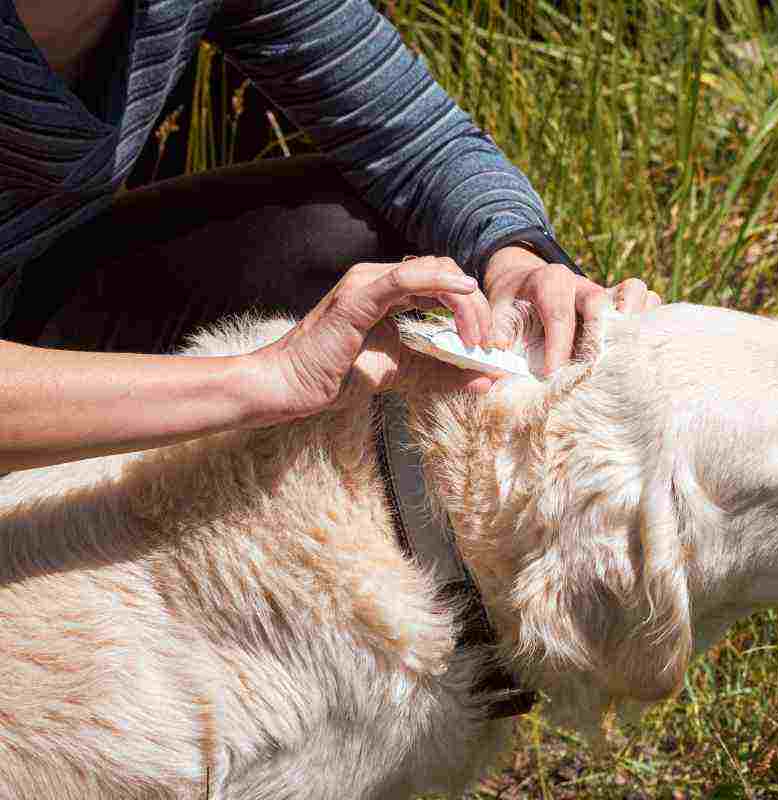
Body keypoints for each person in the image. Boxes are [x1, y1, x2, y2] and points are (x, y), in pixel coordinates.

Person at [0, 0, 660, 474]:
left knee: (363, 236)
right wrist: (262, 378)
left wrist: (512, 263)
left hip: (33, 294)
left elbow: (418, 141)